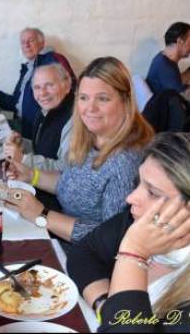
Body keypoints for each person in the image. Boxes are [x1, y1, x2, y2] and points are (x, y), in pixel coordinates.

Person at [5, 57, 154, 247]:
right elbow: (70, 183)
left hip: (84, 257)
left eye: (102, 98)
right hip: (58, 233)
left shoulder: (125, 162)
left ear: (125, 101)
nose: (90, 108)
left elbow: (111, 239)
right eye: (84, 98)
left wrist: (42, 216)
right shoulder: (91, 139)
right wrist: (31, 176)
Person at [67, 132, 190, 332]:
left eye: (153, 193)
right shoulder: (136, 220)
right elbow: (84, 252)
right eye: (138, 182)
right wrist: (104, 305)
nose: (131, 198)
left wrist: (133, 255)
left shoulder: (140, 233)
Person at [0, 27, 75, 139]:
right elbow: (14, 103)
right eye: (23, 42)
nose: (26, 45)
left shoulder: (52, 60)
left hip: (40, 129)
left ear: (42, 43)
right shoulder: (27, 69)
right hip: (23, 125)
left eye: (31, 41)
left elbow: (70, 87)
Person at [3, 62, 74, 211]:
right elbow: (43, 148)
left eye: (49, 85)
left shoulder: (73, 120)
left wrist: (23, 159)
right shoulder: (45, 111)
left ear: (67, 86)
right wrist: (22, 144)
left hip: (58, 204)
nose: (42, 93)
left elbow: (66, 169)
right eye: (37, 87)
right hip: (38, 187)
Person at [146, 22, 190, 99]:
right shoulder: (164, 65)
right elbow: (183, 97)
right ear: (179, 41)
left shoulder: (165, 59)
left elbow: (176, 80)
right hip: (165, 109)